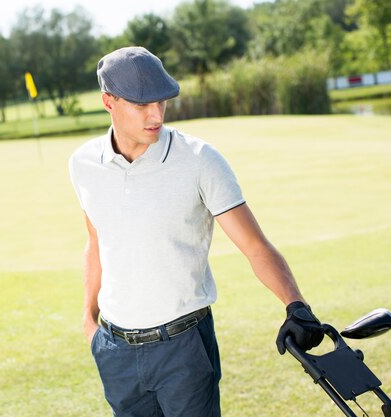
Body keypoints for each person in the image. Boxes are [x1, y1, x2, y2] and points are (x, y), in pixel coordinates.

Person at [68, 46, 324, 417]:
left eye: (161, 102)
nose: (156, 114)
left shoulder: (200, 160)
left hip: (183, 348)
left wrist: (296, 305)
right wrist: (89, 319)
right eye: (142, 105)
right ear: (108, 101)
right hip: (116, 351)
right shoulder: (83, 164)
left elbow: (255, 246)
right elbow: (96, 243)